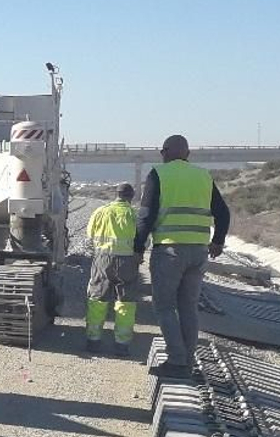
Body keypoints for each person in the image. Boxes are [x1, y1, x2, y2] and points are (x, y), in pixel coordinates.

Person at [133, 134, 231, 379]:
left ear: (164, 152)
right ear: (188, 154)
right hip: (198, 252)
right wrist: (218, 241)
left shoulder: (158, 174)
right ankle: (186, 362)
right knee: (188, 308)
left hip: (169, 251)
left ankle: (176, 361)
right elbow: (223, 212)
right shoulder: (203, 176)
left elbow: (146, 215)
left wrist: (137, 248)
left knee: (165, 306)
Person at [85, 183, 139, 355]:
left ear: (115, 195)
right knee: (125, 301)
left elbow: (89, 237)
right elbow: (144, 240)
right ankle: (122, 344)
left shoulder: (100, 211)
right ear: (131, 197)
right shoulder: (133, 214)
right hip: (127, 261)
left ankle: (93, 340)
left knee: (97, 298)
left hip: (102, 259)